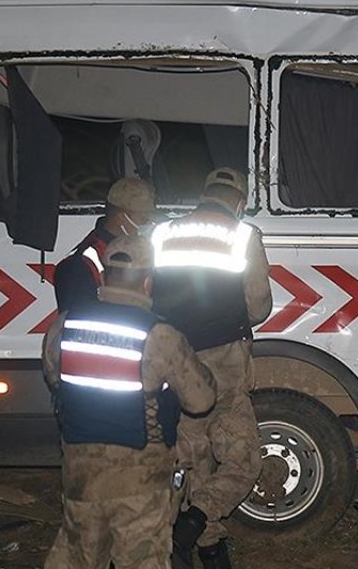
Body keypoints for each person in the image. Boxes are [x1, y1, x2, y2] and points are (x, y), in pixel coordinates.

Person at [42, 235, 217, 569]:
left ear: (104, 277)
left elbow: (55, 379)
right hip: (140, 479)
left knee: (77, 558)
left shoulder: (64, 325)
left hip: (81, 475)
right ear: (148, 283)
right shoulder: (159, 335)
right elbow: (200, 400)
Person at [152, 168, 273, 569]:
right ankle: (192, 525)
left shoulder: (163, 232)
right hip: (222, 360)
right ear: (238, 201)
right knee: (243, 457)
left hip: (175, 356)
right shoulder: (242, 235)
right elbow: (258, 305)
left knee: (193, 454)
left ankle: (206, 547)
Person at [54, 177, 160, 314]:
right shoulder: (79, 265)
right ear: (121, 218)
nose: (149, 224)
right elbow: (75, 324)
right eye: (144, 218)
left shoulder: (141, 253)